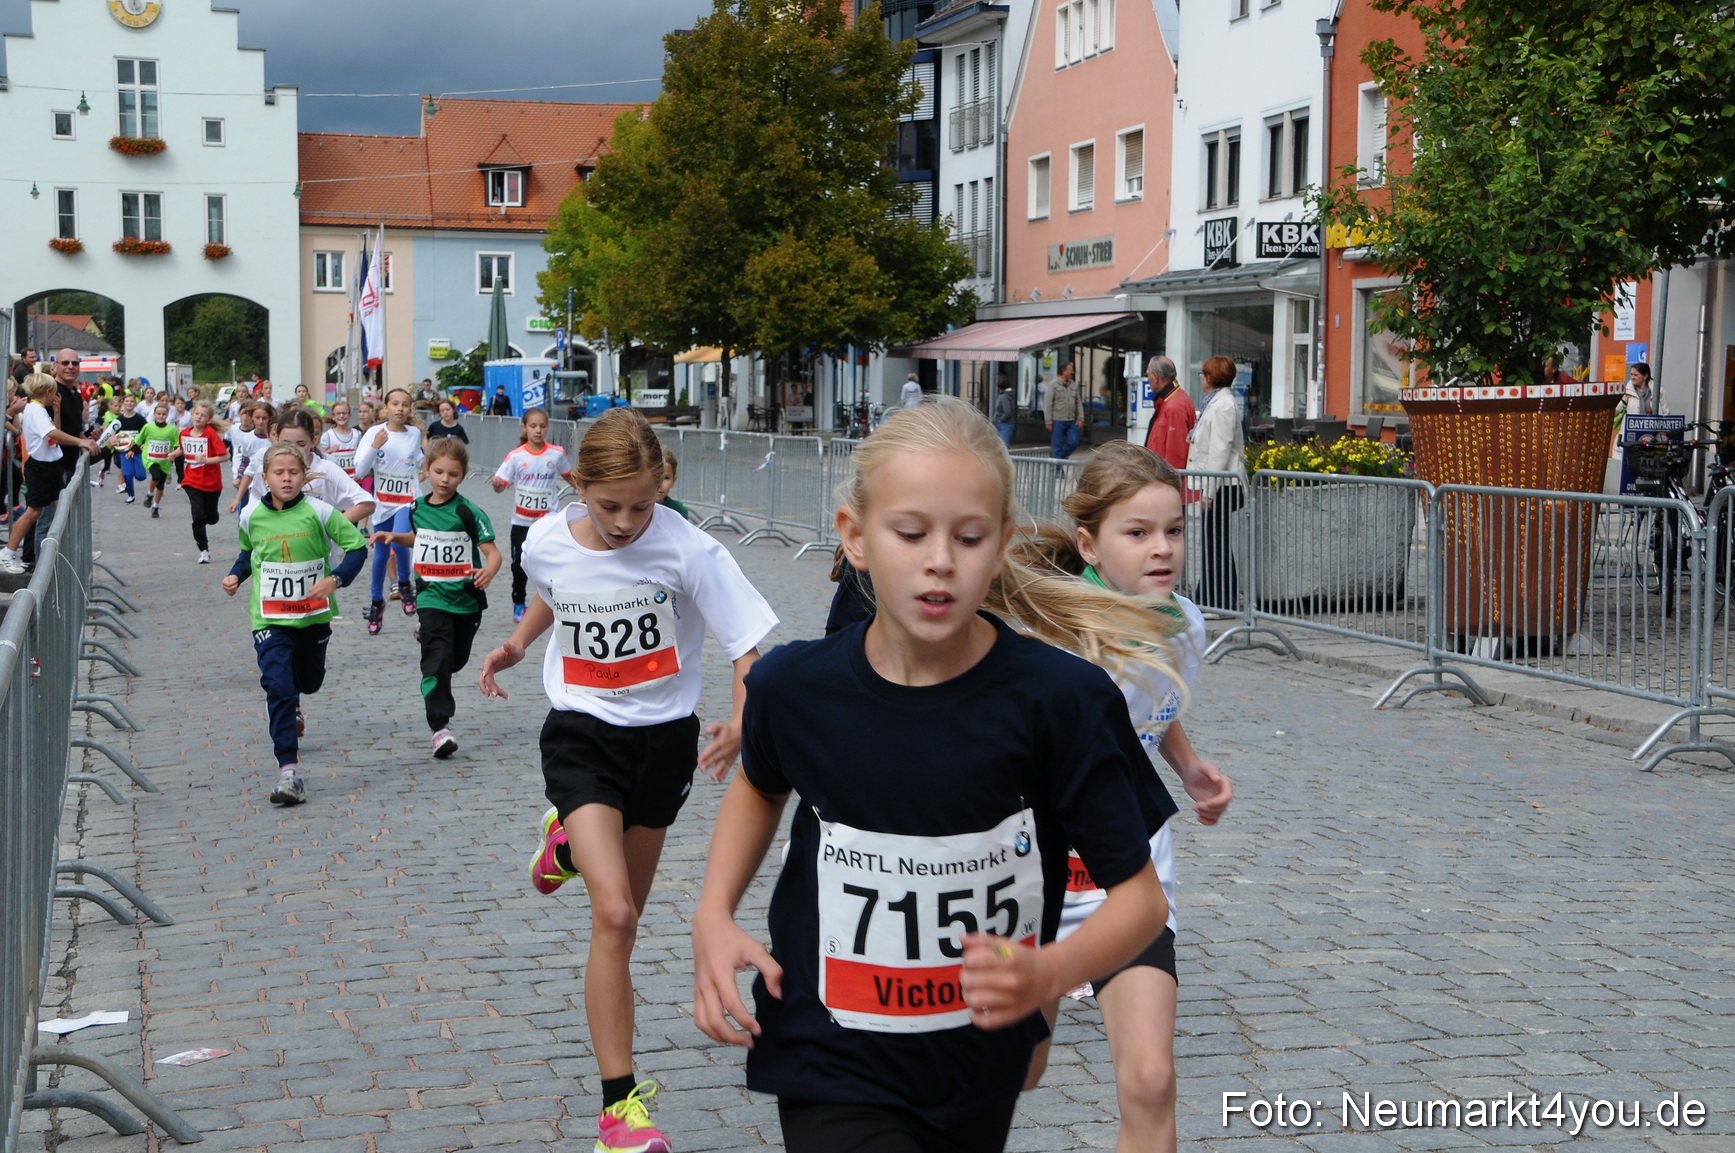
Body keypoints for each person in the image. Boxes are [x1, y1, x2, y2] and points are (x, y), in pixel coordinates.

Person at [691, 399, 1178, 1153]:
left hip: (974, 1057)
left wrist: (1047, 971)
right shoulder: (795, 686)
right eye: (910, 533)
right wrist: (713, 913)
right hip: (829, 1052)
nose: (940, 559)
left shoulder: (1060, 701)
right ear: (855, 536)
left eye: (969, 536)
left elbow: (1140, 901)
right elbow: (760, 781)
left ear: (1001, 545)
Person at [476, 406, 776, 1153]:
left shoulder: (689, 549)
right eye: (609, 505)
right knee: (611, 915)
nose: (625, 521)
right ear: (576, 486)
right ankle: (620, 1110)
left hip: (662, 744)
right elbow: (558, 586)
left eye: (642, 504)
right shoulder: (546, 537)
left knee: (630, 916)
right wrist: (517, 642)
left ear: (663, 483)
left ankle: (568, 845)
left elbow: (748, 648)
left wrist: (740, 721)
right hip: (580, 733)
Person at [1013, 441, 1233, 1152]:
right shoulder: (1046, 637)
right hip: (1029, 877)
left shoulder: (1186, 623)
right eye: (1136, 533)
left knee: (1149, 1080)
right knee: (1016, 1072)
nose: (1161, 548)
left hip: (1129, 879)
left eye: (1172, 530)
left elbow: (1147, 711)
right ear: (1089, 542)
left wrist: (1190, 765)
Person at [222, 443, 369, 807]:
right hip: (269, 618)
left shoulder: (319, 511)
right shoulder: (251, 514)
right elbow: (248, 553)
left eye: (293, 472)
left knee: (308, 681)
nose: (286, 478)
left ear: (304, 475)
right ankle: (289, 772)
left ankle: (297, 694)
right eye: (278, 472)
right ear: (264, 477)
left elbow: (357, 548)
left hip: (313, 616)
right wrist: (234, 575)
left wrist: (335, 580)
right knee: (280, 688)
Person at [370, 438, 500, 760]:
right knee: (437, 661)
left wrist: (489, 572)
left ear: (463, 475)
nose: (444, 479)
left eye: (453, 474)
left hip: (466, 602)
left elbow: (493, 554)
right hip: (431, 598)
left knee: (454, 661)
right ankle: (440, 728)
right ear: (426, 470)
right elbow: (420, 537)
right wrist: (394, 537)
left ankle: (433, 644)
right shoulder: (416, 508)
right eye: (438, 471)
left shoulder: (468, 511)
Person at [0, 374, 98, 574]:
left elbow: (54, 431)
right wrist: (80, 441)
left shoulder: (40, 410)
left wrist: (56, 411)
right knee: (34, 511)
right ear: (48, 392)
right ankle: (8, 553)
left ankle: (72, 550)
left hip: (51, 465)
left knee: (62, 508)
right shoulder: (35, 410)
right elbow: (51, 434)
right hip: (39, 468)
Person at [490, 408, 575, 623]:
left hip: (549, 520)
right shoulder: (516, 456)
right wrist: (498, 485)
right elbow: (500, 485)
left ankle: (556, 601)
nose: (538, 431)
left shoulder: (556, 453)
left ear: (547, 427)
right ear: (525, 427)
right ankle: (519, 603)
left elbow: (570, 477)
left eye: (542, 426)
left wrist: (587, 491)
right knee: (519, 563)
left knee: (552, 561)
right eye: (533, 426)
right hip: (522, 521)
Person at [352, 387, 425, 634]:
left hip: (407, 500)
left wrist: (433, 468)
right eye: (395, 404)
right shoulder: (375, 432)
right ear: (385, 407)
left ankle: (404, 584)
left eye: (405, 404)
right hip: (383, 503)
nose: (400, 409)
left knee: (402, 539)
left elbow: (419, 459)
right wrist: (374, 446)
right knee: (381, 554)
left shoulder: (414, 433)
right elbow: (360, 471)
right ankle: (376, 602)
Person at [241, 407, 375, 527]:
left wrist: (330, 527)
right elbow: (250, 512)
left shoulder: (326, 469)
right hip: (272, 550)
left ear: (313, 441)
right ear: (276, 439)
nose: (293, 450)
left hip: (317, 553)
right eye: (285, 443)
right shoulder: (265, 471)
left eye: (300, 444)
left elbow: (366, 503)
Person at [1189, 355, 1246, 612]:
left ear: (1212, 377)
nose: (1201, 377)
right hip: (1218, 483)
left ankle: (1221, 600)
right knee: (1212, 541)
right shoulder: (1215, 402)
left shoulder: (1223, 405)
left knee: (1217, 542)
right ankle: (1209, 596)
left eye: (1204, 373)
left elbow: (1219, 452)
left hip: (1223, 486)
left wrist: (1209, 491)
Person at [174, 401, 229, 564]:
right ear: (192, 415)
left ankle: (210, 516)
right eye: (197, 413)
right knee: (198, 516)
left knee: (211, 518)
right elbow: (183, 448)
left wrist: (205, 460)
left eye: (203, 415)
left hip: (212, 483)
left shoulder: (210, 434)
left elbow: (225, 456)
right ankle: (203, 549)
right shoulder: (184, 433)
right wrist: (175, 454)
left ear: (209, 419)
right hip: (192, 480)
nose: (199, 417)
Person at [1141, 356, 1196, 471]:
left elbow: (1177, 456)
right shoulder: (1170, 401)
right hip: (1161, 477)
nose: (1148, 379)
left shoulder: (1174, 406)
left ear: (1156, 376)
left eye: (1148, 375)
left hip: (1166, 480)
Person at [130, 401, 179, 518]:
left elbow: (177, 444)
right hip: (150, 458)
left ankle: (155, 506)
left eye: (163, 414)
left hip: (165, 460)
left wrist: (175, 454)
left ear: (167, 415)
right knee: (155, 476)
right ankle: (150, 493)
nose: (161, 416)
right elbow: (138, 440)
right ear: (154, 414)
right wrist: (132, 450)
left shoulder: (172, 430)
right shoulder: (148, 427)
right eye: (158, 414)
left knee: (161, 485)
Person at [111, 395, 148, 504]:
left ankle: (137, 477)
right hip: (123, 451)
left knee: (141, 476)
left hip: (137, 451)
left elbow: (145, 434)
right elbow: (113, 434)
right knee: (127, 474)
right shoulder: (118, 420)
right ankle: (131, 495)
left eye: (132, 401)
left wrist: (142, 445)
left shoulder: (140, 419)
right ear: (123, 403)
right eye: (127, 401)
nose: (129, 403)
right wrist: (113, 441)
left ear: (135, 403)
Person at [1045, 362, 1083, 461]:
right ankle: (1058, 470)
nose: (1072, 372)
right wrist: (1048, 421)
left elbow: (1078, 402)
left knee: (1074, 442)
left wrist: (1080, 418)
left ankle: (1060, 457)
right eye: (1070, 370)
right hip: (1057, 420)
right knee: (1056, 445)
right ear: (1064, 371)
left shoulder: (1073, 385)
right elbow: (1048, 403)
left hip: (1071, 420)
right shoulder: (1053, 385)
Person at [319, 401, 364, 477]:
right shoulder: (328, 435)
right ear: (333, 416)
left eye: (344, 413)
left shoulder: (357, 434)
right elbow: (321, 457)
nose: (341, 416)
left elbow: (362, 456)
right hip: (336, 478)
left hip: (354, 478)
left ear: (350, 415)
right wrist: (330, 451)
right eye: (338, 413)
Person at [658, 446, 694, 521]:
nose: (660, 484)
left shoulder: (679, 510)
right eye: (655, 476)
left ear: (674, 480)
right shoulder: (636, 507)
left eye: (666, 478)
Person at [991, 379, 1017, 447]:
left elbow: (1007, 412)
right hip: (1005, 423)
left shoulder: (1004, 397)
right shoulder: (1008, 395)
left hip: (1004, 424)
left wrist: (999, 420)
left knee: (1002, 446)